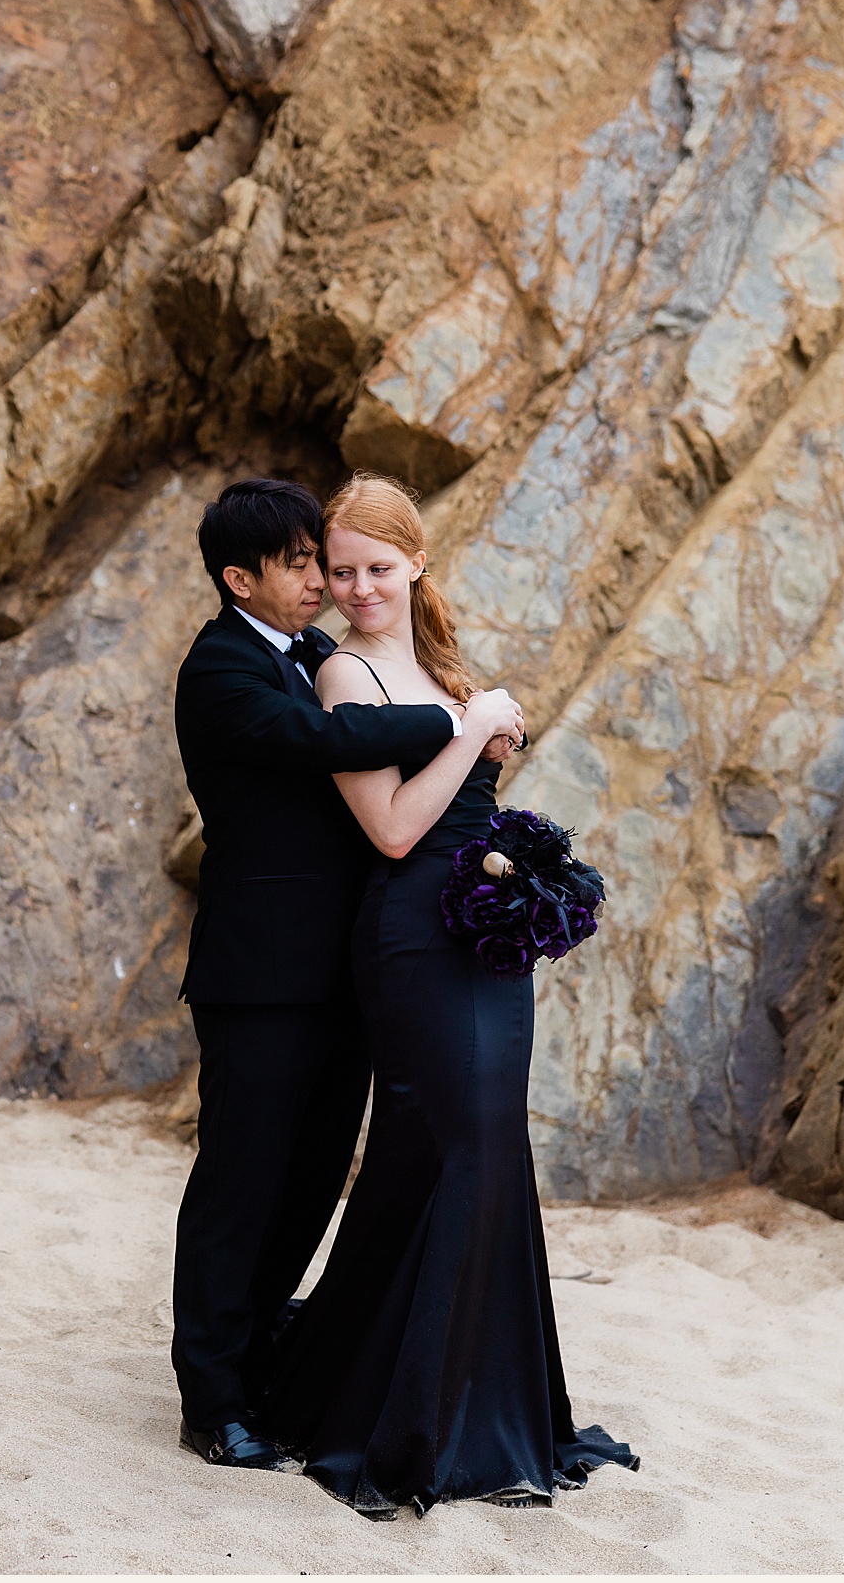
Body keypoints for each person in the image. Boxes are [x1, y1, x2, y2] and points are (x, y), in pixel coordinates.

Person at [256, 472, 638, 1517]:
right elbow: (387, 827)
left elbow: (457, 801)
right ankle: (410, 1420)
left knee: (475, 1147)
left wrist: (485, 744)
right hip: (409, 934)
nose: (356, 588)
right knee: (454, 1143)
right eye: (339, 571)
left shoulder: (433, 663)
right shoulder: (341, 680)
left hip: (483, 933)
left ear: (415, 563)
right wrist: (473, 731)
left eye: (376, 568)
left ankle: (485, 1407)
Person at [168, 477, 528, 1471]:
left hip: (347, 970)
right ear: (239, 578)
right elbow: (330, 740)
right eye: (296, 565)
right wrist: (462, 720)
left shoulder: (313, 652)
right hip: (261, 974)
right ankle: (211, 1399)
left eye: (315, 559)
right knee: (240, 1184)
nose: (318, 581)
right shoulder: (220, 668)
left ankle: (257, 1359)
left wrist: (476, 729)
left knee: (314, 1179)